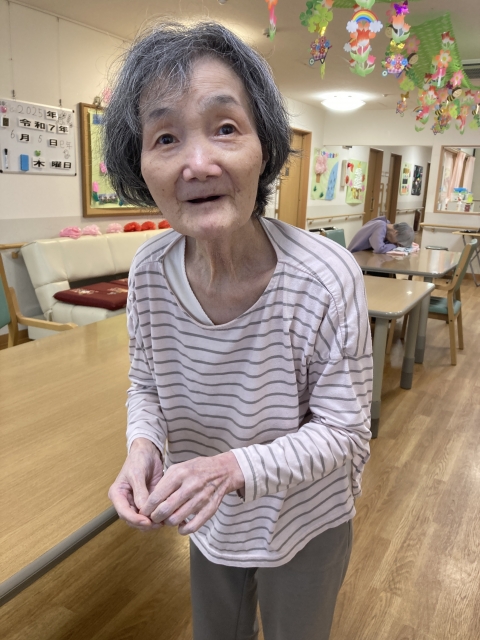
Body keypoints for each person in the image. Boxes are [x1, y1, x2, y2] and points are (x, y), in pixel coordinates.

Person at [106, 21, 372, 640]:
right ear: (139, 165)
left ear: (265, 146)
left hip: (306, 518)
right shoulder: (148, 271)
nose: (198, 164)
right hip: (212, 515)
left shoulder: (325, 277)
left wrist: (229, 467)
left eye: (225, 128)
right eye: (166, 137)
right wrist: (142, 445)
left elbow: (344, 431)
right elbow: (146, 384)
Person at [347, 216, 415, 253]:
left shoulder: (386, 227)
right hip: (354, 255)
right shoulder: (381, 225)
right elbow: (379, 248)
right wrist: (395, 246)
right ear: (396, 233)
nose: (396, 244)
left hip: (364, 254)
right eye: (397, 243)